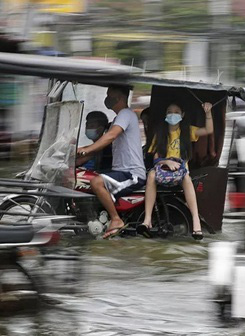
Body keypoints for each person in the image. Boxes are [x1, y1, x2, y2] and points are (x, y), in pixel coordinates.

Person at [76, 85, 146, 239]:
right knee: (86, 178)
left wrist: (85, 150)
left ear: (120, 97)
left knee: (96, 182)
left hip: (132, 173)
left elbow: (111, 136)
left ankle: (116, 220)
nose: (107, 98)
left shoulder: (126, 114)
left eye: (110, 95)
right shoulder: (118, 118)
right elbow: (99, 147)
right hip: (120, 172)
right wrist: (78, 157)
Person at [137, 102, 214, 240]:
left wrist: (208, 113)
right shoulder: (159, 133)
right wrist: (166, 161)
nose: (173, 114)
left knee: (187, 178)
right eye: (169, 112)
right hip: (162, 170)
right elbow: (155, 159)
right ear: (166, 115)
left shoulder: (188, 131)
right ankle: (147, 219)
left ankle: (196, 221)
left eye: (176, 112)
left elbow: (208, 130)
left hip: (181, 171)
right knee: (151, 175)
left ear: (182, 115)